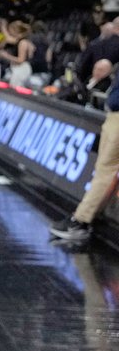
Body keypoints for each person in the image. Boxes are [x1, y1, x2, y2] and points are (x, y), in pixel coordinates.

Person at [53, 77, 119, 248]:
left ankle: (80, 221)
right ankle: (90, 215)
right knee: (104, 170)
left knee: (106, 172)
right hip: (113, 116)